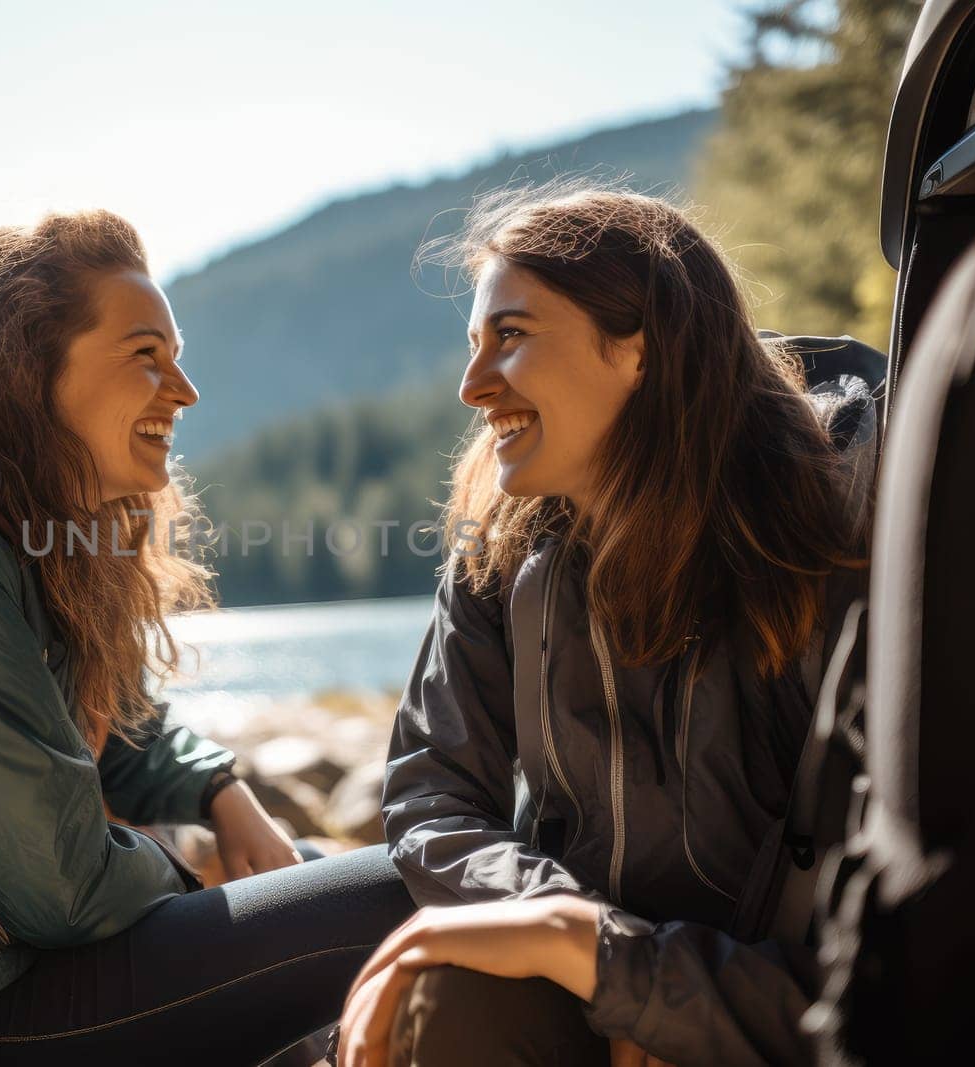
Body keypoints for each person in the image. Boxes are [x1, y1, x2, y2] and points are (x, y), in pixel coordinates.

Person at [0, 210, 413, 1067]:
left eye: (178, 357)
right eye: (147, 355)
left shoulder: (27, 540)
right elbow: (64, 891)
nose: (182, 390)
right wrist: (186, 860)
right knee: (393, 894)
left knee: (312, 867)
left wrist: (223, 793)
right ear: (28, 374)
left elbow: (123, 723)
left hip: (5, 972)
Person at [337, 188, 878, 1067]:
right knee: (445, 975)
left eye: (509, 337)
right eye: (473, 345)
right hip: (590, 975)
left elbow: (909, 948)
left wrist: (648, 986)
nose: (472, 388)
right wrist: (586, 941)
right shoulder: (502, 540)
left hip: (794, 1008)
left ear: (640, 347)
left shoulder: (839, 531)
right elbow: (431, 790)